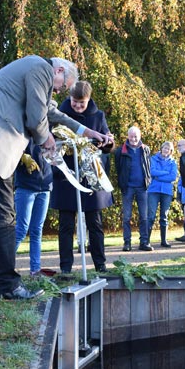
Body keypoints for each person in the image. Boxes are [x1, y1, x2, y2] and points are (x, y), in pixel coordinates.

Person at [0, 55, 110, 298]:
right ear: (59, 70)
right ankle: (9, 286)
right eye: (59, 86)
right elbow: (37, 117)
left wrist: (89, 132)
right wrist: (46, 140)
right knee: (4, 215)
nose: (57, 91)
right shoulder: (41, 68)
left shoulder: (29, 69)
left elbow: (52, 113)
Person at [52, 80, 113, 273]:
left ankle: (100, 264)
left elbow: (107, 142)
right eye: (75, 102)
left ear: (88, 100)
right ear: (69, 97)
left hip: (91, 176)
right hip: (67, 176)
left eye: (82, 103)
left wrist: (108, 142)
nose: (78, 107)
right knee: (66, 224)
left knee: (95, 222)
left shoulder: (98, 116)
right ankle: (66, 268)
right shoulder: (59, 116)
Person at [14, 140, 52, 276]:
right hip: (26, 187)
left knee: (37, 230)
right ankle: (5, 268)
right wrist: (22, 157)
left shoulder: (47, 133)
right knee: (21, 229)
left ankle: (35, 269)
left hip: (45, 187)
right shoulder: (22, 133)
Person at [114, 126, 153, 251]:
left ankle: (144, 242)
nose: (133, 139)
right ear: (128, 136)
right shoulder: (121, 151)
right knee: (126, 217)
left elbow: (148, 166)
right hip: (128, 188)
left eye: (136, 136)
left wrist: (148, 180)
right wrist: (122, 183)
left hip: (142, 187)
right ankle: (127, 243)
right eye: (131, 136)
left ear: (140, 136)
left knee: (144, 216)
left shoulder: (145, 149)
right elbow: (118, 169)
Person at [147, 141, 178, 248]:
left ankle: (164, 241)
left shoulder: (173, 162)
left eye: (168, 149)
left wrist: (159, 175)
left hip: (166, 191)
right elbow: (152, 172)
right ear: (161, 148)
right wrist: (165, 173)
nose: (166, 150)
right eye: (164, 148)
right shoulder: (153, 159)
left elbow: (173, 177)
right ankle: (146, 241)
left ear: (171, 151)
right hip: (153, 190)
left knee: (164, 216)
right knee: (151, 215)